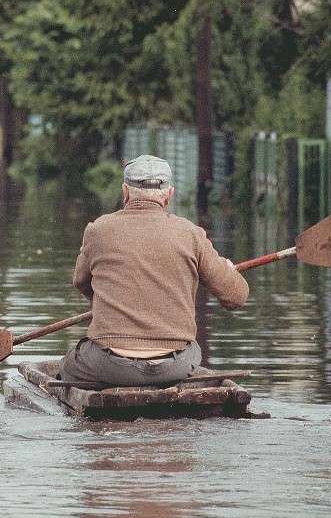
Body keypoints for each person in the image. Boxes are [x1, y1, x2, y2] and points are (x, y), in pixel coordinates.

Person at [59, 154, 249, 386]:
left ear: (125, 192)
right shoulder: (191, 234)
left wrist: (101, 302)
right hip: (174, 365)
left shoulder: (98, 230)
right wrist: (228, 271)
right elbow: (236, 297)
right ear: (169, 195)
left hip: (110, 367)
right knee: (193, 350)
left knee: (67, 364)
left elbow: (80, 282)